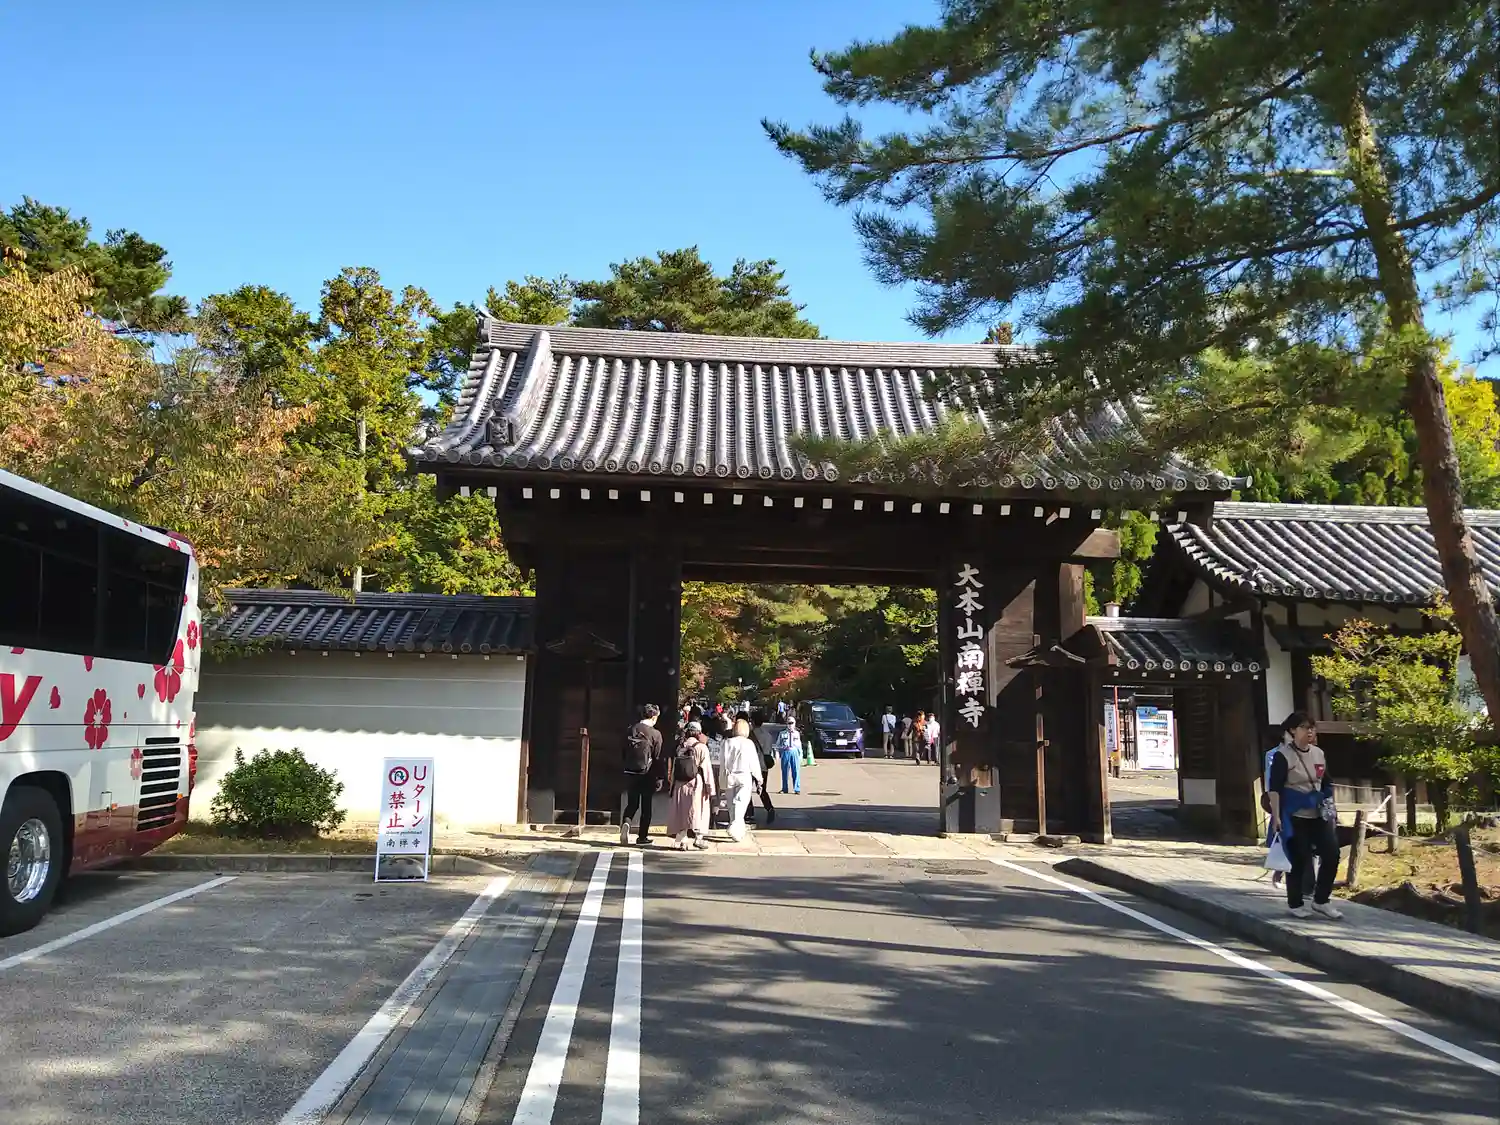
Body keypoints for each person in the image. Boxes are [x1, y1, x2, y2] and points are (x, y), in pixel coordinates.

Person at [1268, 711, 1343, 919]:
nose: (1309, 731)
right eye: (1304, 727)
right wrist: (1276, 816)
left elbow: (1326, 781)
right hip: (1294, 815)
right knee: (1299, 858)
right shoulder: (1283, 756)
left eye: (1312, 728)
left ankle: (1321, 900)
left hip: (1317, 813)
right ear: (1293, 730)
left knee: (1332, 854)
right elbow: (1274, 789)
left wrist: (1329, 804)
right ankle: (1295, 903)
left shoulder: (1319, 754)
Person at [667, 723, 714, 851]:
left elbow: (674, 767)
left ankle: (682, 839)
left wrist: (671, 784)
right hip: (696, 782)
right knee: (699, 810)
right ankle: (698, 838)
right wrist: (710, 788)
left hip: (680, 783)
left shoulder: (680, 746)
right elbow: (707, 770)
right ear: (699, 733)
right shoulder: (702, 747)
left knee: (682, 811)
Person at [621, 703, 662, 846]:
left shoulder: (631, 729)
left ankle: (626, 823)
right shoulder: (655, 734)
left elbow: (623, 751)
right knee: (646, 805)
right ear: (654, 717)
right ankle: (642, 837)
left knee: (632, 803)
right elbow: (657, 757)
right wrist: (660, 777)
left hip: (630, 771)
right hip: (647, 773)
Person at [721, 717, 764, 841]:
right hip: (744, 775)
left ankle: (736, 829)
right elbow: (754, 763)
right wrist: (759, 778)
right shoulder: (748, 743)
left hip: (730, 775)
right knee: (741, 803)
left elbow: (723, 761)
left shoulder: (726, 743)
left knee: (731, 805)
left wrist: (721, 779)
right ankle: (735, 827)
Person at [746, 711, 776, 826]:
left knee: (747, 790)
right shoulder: (768, 735)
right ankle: (769, 808)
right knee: (762, 789)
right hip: (763, 766)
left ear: (752, 721)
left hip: (751, 766)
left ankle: (750, 813)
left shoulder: (750, 735)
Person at [776, 717, 803, 794]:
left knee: (796, 770)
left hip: (794, 752)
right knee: (784, 771)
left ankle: (797, 789)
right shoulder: (782, 733)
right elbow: (777, 744)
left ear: (794, 724)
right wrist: (777, 753)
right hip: (785, 751)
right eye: (789, 723)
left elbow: (799, 745)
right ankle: (784, 788)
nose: (790, 725)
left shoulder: (797, 733)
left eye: (792, 723)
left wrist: (801, 755)